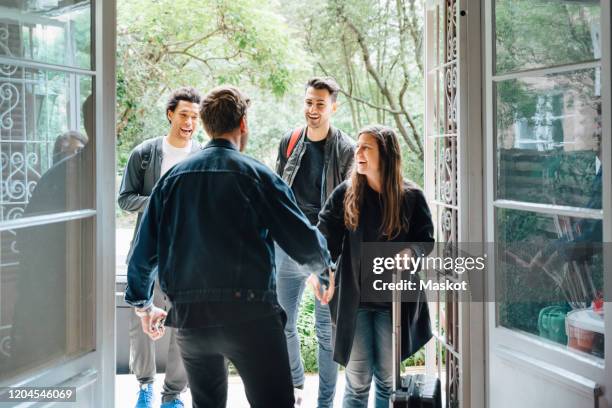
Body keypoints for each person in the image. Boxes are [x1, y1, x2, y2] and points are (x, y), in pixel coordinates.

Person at [125, 85, 335, 408]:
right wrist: (323, 269)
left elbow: (142, 254)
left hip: (193, 321)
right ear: (243, 124)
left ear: (206, 126)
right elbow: (302, 236)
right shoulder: (258, 176)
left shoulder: (171, 181)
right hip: (251, 316)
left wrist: (143, 304)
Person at [316, 125, 434, 408]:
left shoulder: (411, 197)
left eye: (366, 147)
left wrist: (410, 252)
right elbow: (323, 237)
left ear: (386, 155)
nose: (358, 152)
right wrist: (322, 271)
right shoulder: (347, 193)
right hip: (355, 303)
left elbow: (425, 241)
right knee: (357, 383)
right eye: (358, 146)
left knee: (387, 381)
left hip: (393, 304)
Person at [118, 87, 202, 408]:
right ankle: (144, 386)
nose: (189, 122)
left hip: (186, 258)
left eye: (195, 117)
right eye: (184, 115)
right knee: (141, 322)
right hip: (147, 254)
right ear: (170, 114)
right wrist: (159, 201)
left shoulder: (203, 154)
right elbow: (125, 198)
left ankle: (174, 393)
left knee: (184, 325)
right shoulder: (145, 153)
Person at [275, 77, 354, 407]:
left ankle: (324, 402)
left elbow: (349, 206)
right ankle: (294, 388)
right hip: (288, 245)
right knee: (282, 323)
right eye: (308, 102)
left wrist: (332, 259)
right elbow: (276, 191)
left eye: (320, 104)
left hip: (324, 250)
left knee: (326, 332)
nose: (312, 110)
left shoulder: (346, 150)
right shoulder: (290, 141)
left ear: (333, 107)